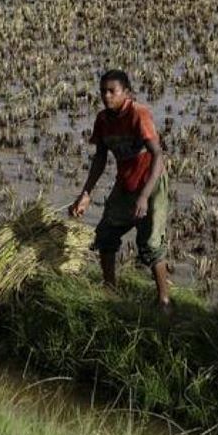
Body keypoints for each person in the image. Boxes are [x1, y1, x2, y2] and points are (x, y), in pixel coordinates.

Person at [69, 69, 171, 312]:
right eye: (103, 91)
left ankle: (164, 301)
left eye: (112, 91)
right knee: (105, 234)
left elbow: (157, 154)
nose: (106, 96)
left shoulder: (139, 114)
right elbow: (100, 158)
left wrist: (145, 197)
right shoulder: (103, 120)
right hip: (125, 182)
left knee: (150, 244)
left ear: (126, 93)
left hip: (151, 184)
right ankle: (110, 290)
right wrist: (86, 194)